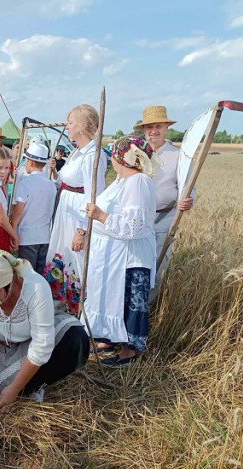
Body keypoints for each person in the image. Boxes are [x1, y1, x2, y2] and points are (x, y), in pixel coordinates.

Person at [0, 249, 90, 411]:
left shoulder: (35, 286)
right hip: (2, 350)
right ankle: (20, 386)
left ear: (11, 282)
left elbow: (41, 344)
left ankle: (31, 386)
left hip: (33, 338)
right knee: (1, 389)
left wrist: (15, 388)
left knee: (75, 338)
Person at [83, 135, 160, 367]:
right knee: (115, 301)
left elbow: (134, 226)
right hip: (116, 256)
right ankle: (112, 339)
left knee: (129, 301)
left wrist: (100, 216)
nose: (111, 159)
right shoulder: (122, 181)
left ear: (123, 157)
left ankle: (129, 353)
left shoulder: (138, 182)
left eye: (114, 154)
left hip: (130, 256)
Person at [45, 104, 107, 314]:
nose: (67, 126)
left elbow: (94, 195)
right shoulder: (76, 153)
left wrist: (82, 230)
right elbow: (64, 182)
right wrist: (55, 172)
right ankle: (63, 308)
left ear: (83, 125)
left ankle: (81, 312)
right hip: (65, 211)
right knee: (63, 256)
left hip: (78, 215)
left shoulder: (93, 155)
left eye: (71, 122)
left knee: (78, 262)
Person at [134, 106, 194, 303]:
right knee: (136, 264)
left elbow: (189, 188)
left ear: (166, 127)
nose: (153, 131)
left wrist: (188, 200)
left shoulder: (179, 156)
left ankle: (148, 309)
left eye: (158, 126)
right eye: (149, 127)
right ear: (143, 130)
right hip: (137, 219)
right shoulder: (137, 154)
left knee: (157, 267)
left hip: (163, 219)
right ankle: (134, 306)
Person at [10, 144, 57, 275]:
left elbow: (18, 212)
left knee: (26, 276)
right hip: (45, 236)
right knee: (40, 275)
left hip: (27, 237)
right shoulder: (51, 185)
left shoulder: (25, 183)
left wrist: (13, 231)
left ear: (30, 161)